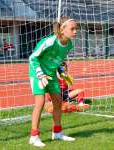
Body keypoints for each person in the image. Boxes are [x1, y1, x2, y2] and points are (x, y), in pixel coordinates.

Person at [29, 17, 77, 147]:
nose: (75, 31)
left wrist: (62, 72)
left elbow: (57, 60)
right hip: (37, 73)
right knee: (40, 102)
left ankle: (57, 133)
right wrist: (40, 74)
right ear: (62, 29)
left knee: (57, 101)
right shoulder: (50, 41)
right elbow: (32, 58)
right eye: (72, 29)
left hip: (51, 75)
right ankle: (34, 136)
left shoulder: (69, 44)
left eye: (76, 29)